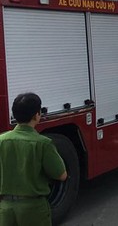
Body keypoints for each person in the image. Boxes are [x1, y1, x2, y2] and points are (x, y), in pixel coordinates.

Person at [0, 93, 68, 226]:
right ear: (37, 115)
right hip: (34, 209)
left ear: (14, 115)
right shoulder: (43, 144)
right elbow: (61, 175)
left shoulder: (1, 141)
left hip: (5, 209)